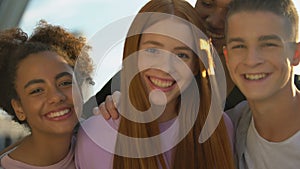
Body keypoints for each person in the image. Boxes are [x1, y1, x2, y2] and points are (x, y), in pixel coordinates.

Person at [75, 0, 235, 169]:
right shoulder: (97, 134)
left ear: (196, 65)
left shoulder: (220, 128)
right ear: (133, 53)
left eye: (181, 55)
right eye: (152, 50)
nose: (165, 67)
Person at [0, 22, 93, 168]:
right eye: (37, 90)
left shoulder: (100, 137)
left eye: (65, 83)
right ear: (19, 108)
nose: (56, 96)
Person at [223, 0, 300, 168]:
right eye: (239, 46)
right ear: (227, 57)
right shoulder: (231, 127)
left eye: (268, 44)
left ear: (296, 53)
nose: (251, 60)